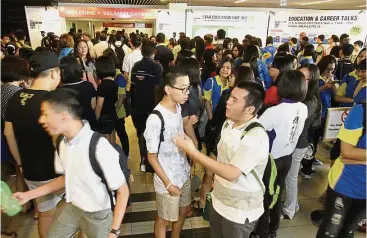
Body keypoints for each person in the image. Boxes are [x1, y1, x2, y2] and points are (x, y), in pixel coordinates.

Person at [13, 88, 130, 238]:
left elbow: (123, 191)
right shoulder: (62, 142)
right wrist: (28, 195)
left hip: (98, 215)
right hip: (73, 207)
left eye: (46, 114)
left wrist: (114, 231)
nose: (41, 120)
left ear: (64, 116)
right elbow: (66, 178)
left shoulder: (99, 147)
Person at [175, 80, 269, 238]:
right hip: (219, 200)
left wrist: (194, 152)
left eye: (234, 100)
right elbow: (222, 158)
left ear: (250, 109)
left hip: (239, 210)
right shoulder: (228, 124)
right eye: (230, 97)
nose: (228, 102)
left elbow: (232, 173)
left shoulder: (255, 136)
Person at [4, 51, 62, 238]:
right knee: (57, 214)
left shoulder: (15, 98)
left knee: (45, 212)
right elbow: (59, 141)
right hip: (53, 172)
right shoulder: (51, 102)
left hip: (30, 169)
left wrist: (20, 162)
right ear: (53, 73)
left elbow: (8, 133)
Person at [256, 70, 308, 238]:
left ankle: (262, 232)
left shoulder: (274, 111)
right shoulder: (303, 107)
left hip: (271, 160)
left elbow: (257, 131)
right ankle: (273, 228)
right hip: (288, 157)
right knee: (277, 192)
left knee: (264, 196)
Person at [144, 66, 191, 238]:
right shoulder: (155, 119)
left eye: (188, 87)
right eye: (183, 88)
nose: (187, 92)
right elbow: (151, 156)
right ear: (168, 89)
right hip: (168, 178)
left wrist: (188, 139)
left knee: (183, 211)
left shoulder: (177, 107)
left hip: (183, 172)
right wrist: (168, 184)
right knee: (163, 219)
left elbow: (178, 133)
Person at [316, 101, 366, 238]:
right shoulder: (361, 111)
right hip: (344, 183)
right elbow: (347, 152)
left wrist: (360, 157)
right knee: (330, 231)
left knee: (349, 230)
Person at [282, 64, 321, 219]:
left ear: (311, 80)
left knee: (290, 177)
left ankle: (289, 209)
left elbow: (296, 122)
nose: (299, 80)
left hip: (298, 143)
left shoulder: (310, 100)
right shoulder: (300, 96)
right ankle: (293, 205)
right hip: (292, 142)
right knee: (289, 176)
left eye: (304, 78)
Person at [130, 42, 163, 171]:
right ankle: (152, 163)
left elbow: (132, 87)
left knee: (141, 134)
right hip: (151, 107)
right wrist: (157, 108)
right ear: (154, 52)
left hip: (138, 106)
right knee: (153, 135)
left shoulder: (136, 66)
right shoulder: (157, 67)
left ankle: (143, 161)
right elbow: (157, 88)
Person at [60, 56, 98, 131]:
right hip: (90, 123)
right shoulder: (88, 85)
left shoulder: (60, 91)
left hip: (72, 128)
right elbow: (93, 105)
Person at [178, 58, 202, 150]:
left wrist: (197, 116)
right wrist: (194, 141)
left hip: (193, 129)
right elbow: (185, 120)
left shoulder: (196, 87)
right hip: (183, 133)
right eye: (198, 69)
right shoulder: (180, 90)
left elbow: (199, 107)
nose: (200, 71)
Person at [95, 55, 118, 142]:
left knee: (106, 141)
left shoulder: (103, 86)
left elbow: (99, 105)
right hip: (112, 114)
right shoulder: (114, 83)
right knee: (112, 136)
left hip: (104, 117)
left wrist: (96, 119)